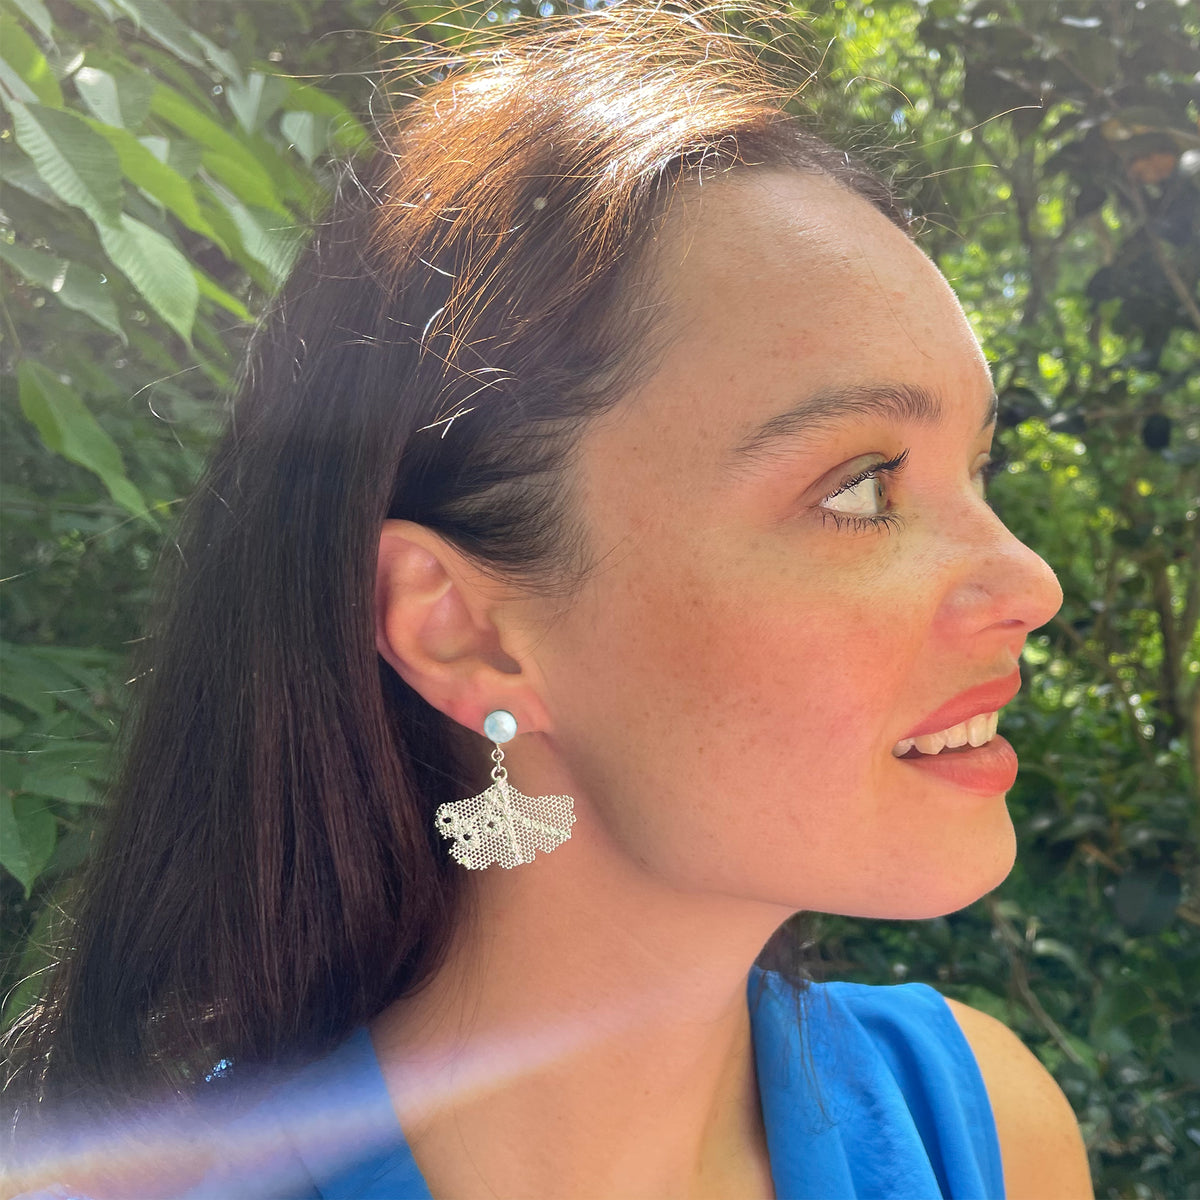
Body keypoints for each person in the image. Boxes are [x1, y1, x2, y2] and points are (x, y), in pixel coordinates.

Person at [5, 4, 1094, 1197]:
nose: (1028, 582)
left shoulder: (983, 1132)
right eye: (860, 484)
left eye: (976, 468)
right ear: (457, 624)